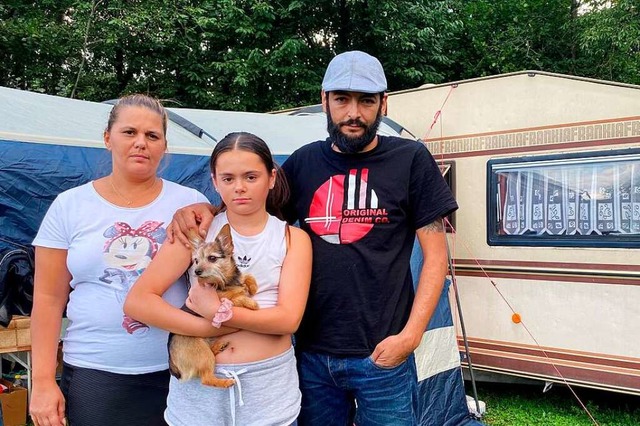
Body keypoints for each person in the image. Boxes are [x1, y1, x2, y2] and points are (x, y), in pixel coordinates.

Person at [169, 51, 458, 425]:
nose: (353, 113)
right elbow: (249, 206)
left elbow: (436, 257)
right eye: (341, 99)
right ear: (324, 100)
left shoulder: (410, 160)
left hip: (384, 355)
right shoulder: (304, 163)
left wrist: (412, 335)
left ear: (383, 104)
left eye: (366, 101)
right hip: (311, 357)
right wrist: (203, 210)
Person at [30, 94, 210, 426]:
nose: (141, 143)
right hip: (96, 374)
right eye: (130, 132)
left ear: (164, 146)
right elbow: (47, 299)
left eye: (152, 136)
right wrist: (41, 382)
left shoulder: (190, 203)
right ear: (107, 138)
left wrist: (212, 210)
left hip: (178, 369)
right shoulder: (69, 206)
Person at [124, 132, 312, 426]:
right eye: (228, 178)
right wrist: (204, 329)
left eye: (251, 177)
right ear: (214, 181)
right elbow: (138, 302)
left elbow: (288, 320)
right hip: (198, 392)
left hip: (269, 388)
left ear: (272, 178)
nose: (239, 187)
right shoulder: (195, 234)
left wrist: (216, 314)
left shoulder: (292, 239)